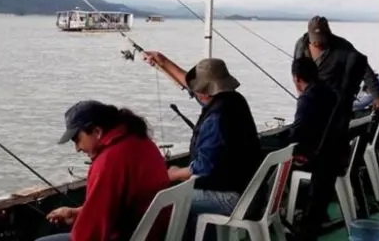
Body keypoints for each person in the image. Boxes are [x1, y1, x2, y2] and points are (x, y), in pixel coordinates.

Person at [143, 51, 261, 241]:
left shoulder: (217, 119)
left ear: (204, 92)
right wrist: (163, 61)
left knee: (163, 201)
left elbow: (203, 168)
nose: (194, 91)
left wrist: (174, 173)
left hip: (233, 198)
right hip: (250, 190)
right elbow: (191, 86)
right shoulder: (234, 99)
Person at [39, 101, 170, 241]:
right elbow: (121, 205)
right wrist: (79, 213)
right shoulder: (142, 141)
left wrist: (83, 222)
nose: (77, 148)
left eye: (77, 139)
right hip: (155, 232)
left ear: (97, 132)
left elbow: (91, 234)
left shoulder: (108, 161)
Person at [289, 58, 351, 241]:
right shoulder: (332, 93)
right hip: (336, 155)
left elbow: (296, 133)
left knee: (278, 159)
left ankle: (287, 214)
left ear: (296, 78)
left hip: (319, 159)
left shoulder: (307, 98)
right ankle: (310, 214)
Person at [293, 16, 379, 111]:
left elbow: (364, 68)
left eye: (321, 39)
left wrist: (378, 96)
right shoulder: (301, 45)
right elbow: (295, 70)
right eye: (314, 40)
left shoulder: (343, 47)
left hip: (334, 102)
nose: (317, 43)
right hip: (307, 100)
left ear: (328, 33)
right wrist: (300, 92)